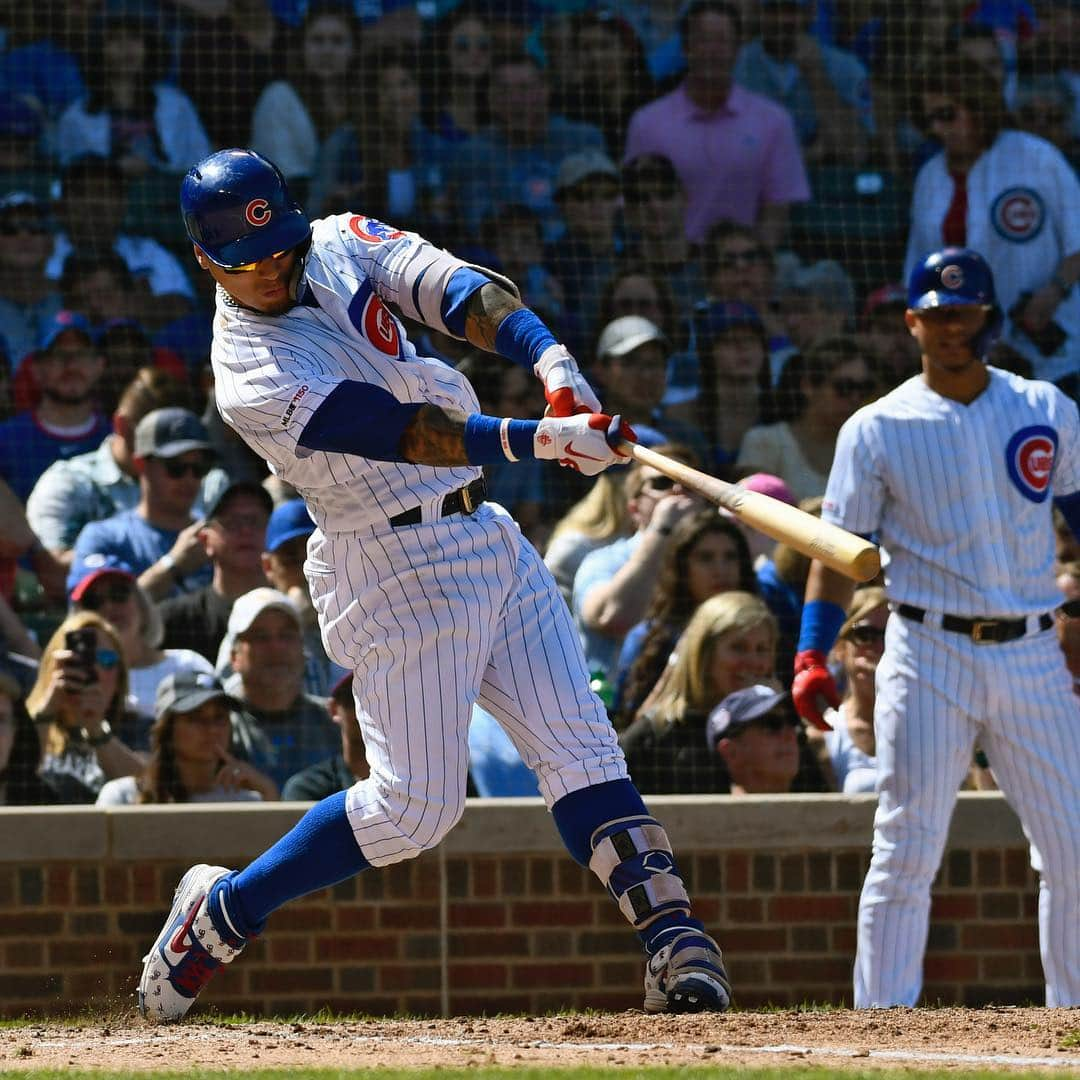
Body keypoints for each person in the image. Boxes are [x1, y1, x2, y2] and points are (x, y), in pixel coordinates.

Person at [137, 147, 731, 1024]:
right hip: (391, 564)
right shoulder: (246, 371)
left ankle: (676, 941)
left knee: (583, 747)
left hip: (485, 532)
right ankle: (221, 914)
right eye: (247, 266)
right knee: (415, 811)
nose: (272, 273)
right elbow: (403, 431)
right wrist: (541, 441)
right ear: (206, 263)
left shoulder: (336, 241)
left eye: (280, 253)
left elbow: (464, 294)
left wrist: (554, 363)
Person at [792, 247, 1080, 1008]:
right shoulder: (876, 426)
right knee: (906, 845)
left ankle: (1074, 1015)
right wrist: (810, 654)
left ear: (987, 315)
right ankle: (881, 1024)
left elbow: (1077, 520)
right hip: (927, 647)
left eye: (966, 313)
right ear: (913, 321)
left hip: (1032, 649)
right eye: (939, 314)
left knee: (1074, 848)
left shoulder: (1046, 408)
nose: (954, 328)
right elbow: (836, 551)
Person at [905, 55, 1080, 386]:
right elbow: (920, 269)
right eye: (929, 120)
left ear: (977, 106)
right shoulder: (930, 175)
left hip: (1052, 355)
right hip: (969, 357)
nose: (938, 129)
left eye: (947, 115)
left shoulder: (1037, 157)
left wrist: (1054, 291)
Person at [622, 0, 810, 246]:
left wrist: (751, 265)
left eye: (722, 41)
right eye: (703, 40)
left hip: (743, 269)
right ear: (685, 48)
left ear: (737, 48)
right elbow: (635, 208)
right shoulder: (647, 122)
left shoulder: (774, 120)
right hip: (670, 266)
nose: (713, 50)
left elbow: (777, 210)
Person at [27, 368, 228, 569]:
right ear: (122, 425)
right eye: (174, 466)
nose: (188, 476)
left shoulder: (208, 481)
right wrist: (164, 557)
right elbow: (51, 569)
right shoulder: (69, 483)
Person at [618, 591, 778, 794]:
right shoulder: (655, 735)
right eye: (738, 648)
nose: (753, 662)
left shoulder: (782, 728)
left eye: (762, 649)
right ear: (703, 653)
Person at [614, 510, 757, 724]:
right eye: (705, 558)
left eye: (730, 557)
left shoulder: (760, 631)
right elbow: (627, 723)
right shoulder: (648, 638)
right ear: (682, 567)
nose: (721, 569)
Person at [574, 451, 702, 680]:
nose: (677, 491)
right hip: (612, 706)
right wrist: (662, 530)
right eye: (662, 483)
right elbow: (610, 617)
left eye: (689, 485)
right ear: (634, 508)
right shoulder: (603, 560)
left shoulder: (718, 559)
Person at [72, 407, 217, 600]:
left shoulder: (219, 536)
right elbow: (99, 615)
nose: (189, 479)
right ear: (141, 464)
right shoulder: (105, 538)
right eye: (176, 468)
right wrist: (172, 565)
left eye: (199, 468)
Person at [215, 587, 345, 793]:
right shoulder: (218, 728)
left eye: (286, 636)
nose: (276, 647)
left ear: (303, 652)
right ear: (234, 658)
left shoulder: (337, 722)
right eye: (260, 637)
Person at [46, 156, 195, 333]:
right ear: (61, 205)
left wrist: (118, 306)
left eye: (104, 192)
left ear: (123, 203)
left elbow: (181, 306)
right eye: (82, 192)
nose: (94, 203)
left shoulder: (148, 251)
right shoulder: (44, 249)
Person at [55, 10, 211, 175]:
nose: (125, 47)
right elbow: (68, 173)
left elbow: (202, 163)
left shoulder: (177, 105)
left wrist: (154, 168)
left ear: (149, 47)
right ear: (98, 50)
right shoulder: (76, 115)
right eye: (114, 39)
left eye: (134, 38)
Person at [68, 553, 215, 722]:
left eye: (119, 594)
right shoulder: (74, 677)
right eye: (93, 601)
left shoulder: (187, 665)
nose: (109, 606)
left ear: (140, 603)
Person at [96, 671, 279, 806]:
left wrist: (268, 792)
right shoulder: (122, 797)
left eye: (220, 717)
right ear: (167, 729)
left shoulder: (246, 801)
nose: (212, 729)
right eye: (195, 718)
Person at [736, 336, 879, 503]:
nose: (855, 398)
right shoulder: (764, 442)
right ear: (808, 386)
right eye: (844, 387)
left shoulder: (868, 450)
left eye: (864, 389)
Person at [733, 0, 874, 167]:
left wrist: (816, 74)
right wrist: (809, 155)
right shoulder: (735, 67)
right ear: (759, 12)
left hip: (825, 188)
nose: (783, 20)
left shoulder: (846, 68)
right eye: (774, 10)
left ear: (811, 12)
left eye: (792, 10)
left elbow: (857, 153)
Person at [26, 611, 146, 804]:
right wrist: (48, 708)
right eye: (79, 660)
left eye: (106, 659)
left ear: (120, 677)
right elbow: (12, 771)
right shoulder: (14, 722)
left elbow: (148, 790)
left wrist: (96, 729)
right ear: (54, 667)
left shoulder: (139, 729)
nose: (95, 670)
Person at [0, 311, 111, 503]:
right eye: (58, 355)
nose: (71, 366)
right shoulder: (6, 441)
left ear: (99, 365)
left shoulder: (116, 439)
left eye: (81, 354)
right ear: (36, 369)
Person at [159, 482, 273, 663]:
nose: (246, 530)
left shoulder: (296, 614)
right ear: (205, 540)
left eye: (255, 521)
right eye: (232, 523)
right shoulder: (175, 621)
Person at [250, 4, 360, 181]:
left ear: (354, 49)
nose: (327, 51)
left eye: (338, 41)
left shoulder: (364, 100)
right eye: (317, 40)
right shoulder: (279, 98)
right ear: (302, 47)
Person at [805, 586, 887, 794]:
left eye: (891, 634)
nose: (879, 647)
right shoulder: (823, 735)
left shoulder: (934, 725)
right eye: (865, 635)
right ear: (840, 648)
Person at [705, 684, 819, 795]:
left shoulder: (825, 813)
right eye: (772, 724)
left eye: (792, 721)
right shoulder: (703, 814)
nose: (790, 735)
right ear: (730, 752)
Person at [281, 672, 369, 800]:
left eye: (383, 698)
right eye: (354, 699)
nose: (367, 709)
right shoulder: (308, 788)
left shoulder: (408, 783)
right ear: (334, 709)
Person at [0, 192, 62, 372]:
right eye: (10, 230)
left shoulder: (73, 298)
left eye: (36, 229)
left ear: (50, 244)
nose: (24, 236)